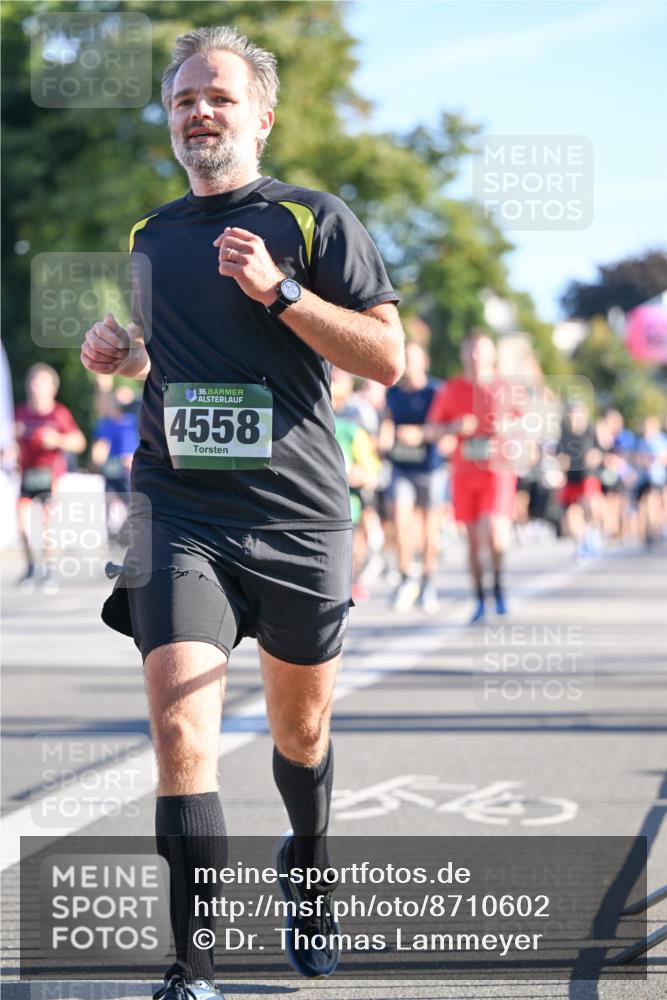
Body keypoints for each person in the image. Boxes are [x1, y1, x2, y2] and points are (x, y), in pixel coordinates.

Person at [80, 25, 404, 999]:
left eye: (218, 97)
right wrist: (123, 353)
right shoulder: (149, 235)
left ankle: (308, 860)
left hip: (297, 515)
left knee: (300, 736)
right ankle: (195, 966)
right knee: (182, 733)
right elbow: (167, 350)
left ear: (260, 116)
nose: (199, 113)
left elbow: (387, 358)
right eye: (183, 99)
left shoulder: (311, 218)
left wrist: (283, 290)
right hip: (179, 508)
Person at [426, 329, 518, 623]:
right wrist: (453, 427)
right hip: (464, 474)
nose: (476, 356)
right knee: (475, 542)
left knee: (495, 534)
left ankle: (498, 586)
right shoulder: (451, 389)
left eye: (482, 350)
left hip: (497, 471)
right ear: (463, 354)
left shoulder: (506, 387)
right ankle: (479, 598)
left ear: (492, 354)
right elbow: (432, 429)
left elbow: (528, 423)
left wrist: (508, 427)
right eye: (472, 350)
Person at [380, 342, 444, 614]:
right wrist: (384, 440)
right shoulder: (393, 393)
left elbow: (445, 426)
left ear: (424, 362)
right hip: (401, 467)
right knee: (400, 521)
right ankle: (406, 577)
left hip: (430, 468)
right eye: (405, 358)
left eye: (413, 359)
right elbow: (387, 420)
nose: (409, 364)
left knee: (430, 529)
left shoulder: (436, 391)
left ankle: (428, 582)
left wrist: (421, 435)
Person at [14, 363, 86, 591]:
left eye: (42, 383)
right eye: (34, 383)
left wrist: (56, 439)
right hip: (27, 475)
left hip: (50, 476)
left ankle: (49, 571)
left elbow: (79, 442)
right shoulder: (21, 413)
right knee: (22, 524)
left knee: (48, 525)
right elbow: (10, 443)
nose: (37, 388)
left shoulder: (59, 413)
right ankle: (30, 568)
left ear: (53, 388)